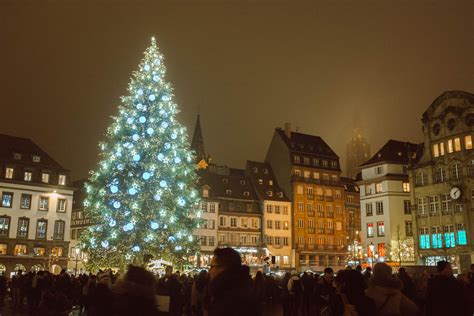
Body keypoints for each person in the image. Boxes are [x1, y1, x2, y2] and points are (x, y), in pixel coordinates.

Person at [207, 247, 258, 316]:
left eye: (211, 267)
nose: (209, 271)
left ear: (223, 268)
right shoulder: (241, 289)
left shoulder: (228, 297)